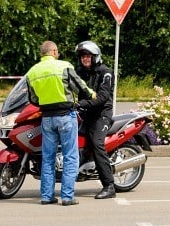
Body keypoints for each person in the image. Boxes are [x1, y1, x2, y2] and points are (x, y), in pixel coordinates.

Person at [25, 40, 94, 206]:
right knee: (70, 156)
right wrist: (91, 94)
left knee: (48, 158)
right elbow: (80, 87)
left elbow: (32, 98)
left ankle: (46, 196)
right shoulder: (63, 66)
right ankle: (67, 197)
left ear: (42, 53)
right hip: (65, 116)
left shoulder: (32, 72)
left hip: (47, 118)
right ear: (54, 52)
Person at [75, 40, 117, 199]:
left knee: (96, 143)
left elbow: (103, 97)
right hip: (86, 112)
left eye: (88, 56)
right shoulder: (80, 72)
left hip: (101, 114)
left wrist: (82, 103)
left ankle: (109, 186)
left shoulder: (105, 72)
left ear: (95, 56)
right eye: (82, 56)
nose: (85, 59)